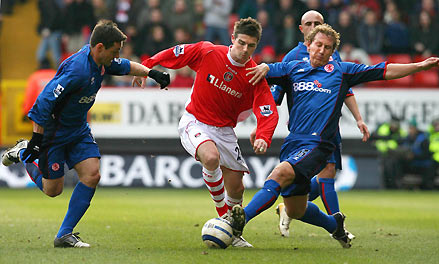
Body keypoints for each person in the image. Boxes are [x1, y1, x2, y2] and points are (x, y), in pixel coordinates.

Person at [230, 23, 439, 248]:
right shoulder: (292, 68)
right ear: (308, 45)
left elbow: (384, 70)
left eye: (328, 47)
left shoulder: (341, 71)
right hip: (294, 143)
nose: (322, 50)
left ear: (333, 51)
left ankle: (238, 221)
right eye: (318, 45)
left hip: (319, 144)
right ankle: (335, 226)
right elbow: (252, 72)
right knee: (296, 209)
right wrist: (263, 67)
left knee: (280, 173)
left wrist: (419, 66)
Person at [1, 20, 170, 248]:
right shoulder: (77, 70)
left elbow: (125, 66)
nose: (116, 56)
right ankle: (23, 153)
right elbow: (43, 102)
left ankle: (64, 235)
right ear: (100, 47)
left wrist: (152, 73)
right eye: (114, 51)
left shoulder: (101, 59)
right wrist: (37, 141)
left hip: (78, 129)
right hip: (54, 133)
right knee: (54, 190)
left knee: (92, 174)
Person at [132, 17, 279, 247]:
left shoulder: (254, 74)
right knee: (210, 157)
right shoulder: (208, 52)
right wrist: (147, 67)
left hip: (225, 131)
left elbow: (267, 109)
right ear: (232, 38)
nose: (244, 50)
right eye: (241, 43)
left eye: (251, 46)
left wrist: (263, 135)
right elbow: (176, 53)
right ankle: (224, 219)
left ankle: (233, 232)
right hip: (195, 121)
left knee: (237, 187)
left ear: (256, 45)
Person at [269, 10, 369, 239]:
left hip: (330, 125)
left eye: (318, 23)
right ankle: (337, 225)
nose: (313, 26)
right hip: (306, 130)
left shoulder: (333, 55)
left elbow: (347, 89)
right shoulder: (292, 57)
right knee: (326, 173)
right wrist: (263, 125)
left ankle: (291, 208)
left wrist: (359, 118)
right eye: (309, 23)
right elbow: (276, 94)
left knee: (327, 173)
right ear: (301, 28)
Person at [372, 117, 407, 189]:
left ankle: (396, 186)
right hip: (384, 153)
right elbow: (376, 139)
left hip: (396, 155)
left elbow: (404, 143)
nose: (394, 126)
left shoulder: (401, 132)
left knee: (396, 168)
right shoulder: (383, 129)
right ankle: (387, 186)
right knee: (386, 169)